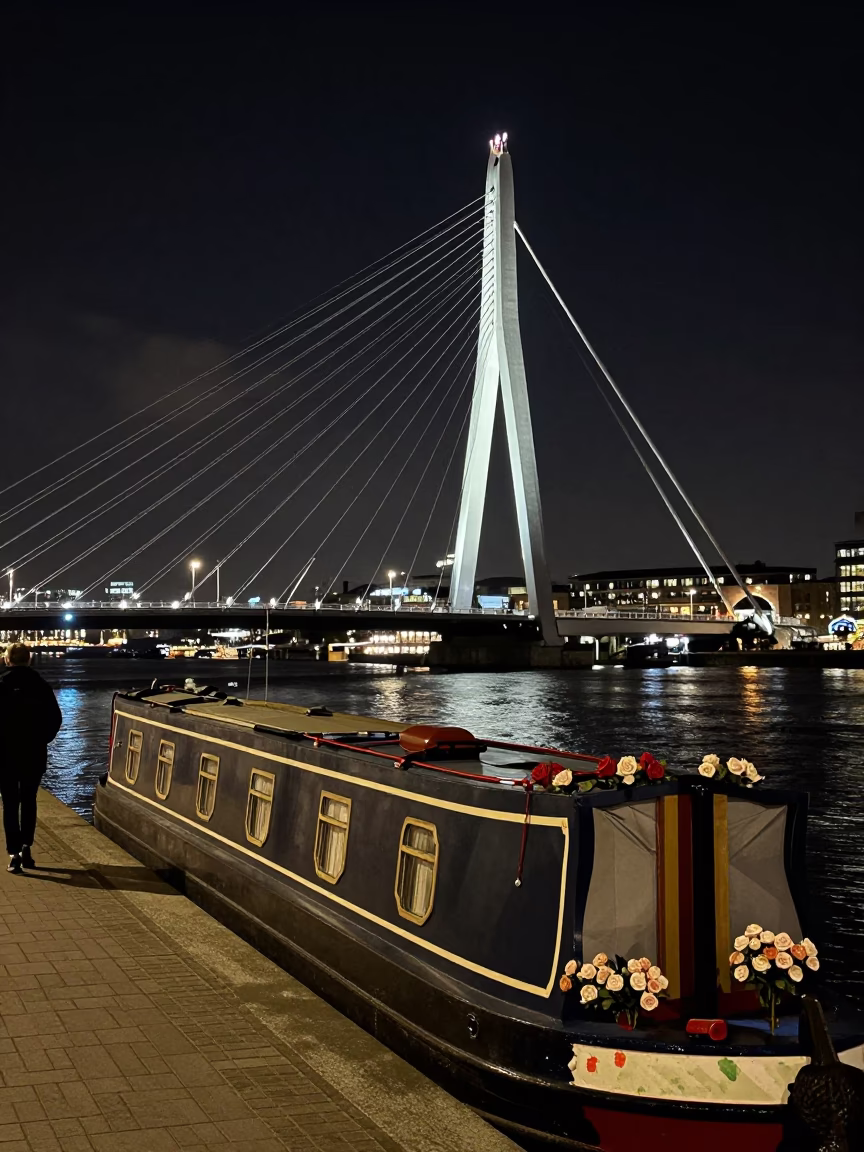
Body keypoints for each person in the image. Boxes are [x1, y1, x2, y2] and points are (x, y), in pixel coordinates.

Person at [0, 642, 62, 873]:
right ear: (29, 659)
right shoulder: (42, 686)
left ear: (8, 660)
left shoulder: (1, 685)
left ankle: (13, 854)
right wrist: (41, 739)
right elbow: (55, 719)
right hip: (33, 754)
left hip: (5, 755)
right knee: (29, 800)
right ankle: (27, 848)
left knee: (9, 803)